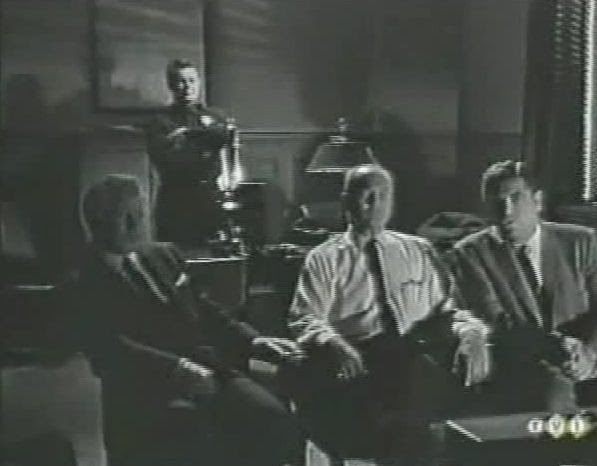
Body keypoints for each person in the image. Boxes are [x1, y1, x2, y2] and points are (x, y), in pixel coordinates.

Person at [74, 174, 303, 466]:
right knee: (204, 444)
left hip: (209, 369)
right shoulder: (83, 279)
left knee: (274, 420)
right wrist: (179, 369)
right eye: (125, 217)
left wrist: (254, 341)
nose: (136, 225)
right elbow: (110, 349)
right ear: (97, 223)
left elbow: (206, 311)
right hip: (145, 391)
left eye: (140, 214)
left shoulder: (164, 254)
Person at [287, 164, 488, 464]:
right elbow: (305, 319)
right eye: (365, 195)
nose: (374, 204)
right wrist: (333, 342)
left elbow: (449, 310)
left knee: (419, 388)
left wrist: (472, 333)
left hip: (413, 351)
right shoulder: (324, 258)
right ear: (346, 201)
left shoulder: (419, 250)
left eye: (382, 195)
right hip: (357, 354)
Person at [448, 160, 597, 413]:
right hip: (525, 361)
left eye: (515, 198)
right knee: (551, 387)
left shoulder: (580, 241)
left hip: (591, 355)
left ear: (538, 201)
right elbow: (497, 322)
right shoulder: (470, 254)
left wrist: (591, 355)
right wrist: (560, 348)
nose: (506, 212)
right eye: (497, 203)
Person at [145, 59, 241, 246]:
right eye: (181, 81)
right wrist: (197, 136)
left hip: (211, 199)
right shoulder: (160, 122)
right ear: (171, 85)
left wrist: (190, 135)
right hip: (176, 201)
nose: (188, 87)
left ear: (199, 82)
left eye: (192, 81)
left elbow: (228, 142)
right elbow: (163, 158)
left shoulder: (216, 116)